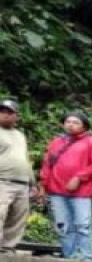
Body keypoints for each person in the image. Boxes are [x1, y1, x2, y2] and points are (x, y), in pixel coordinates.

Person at [39, 111, 92, 261]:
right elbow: (47, 164)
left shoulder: (91, 142)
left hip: (81, 192)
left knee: (82, 225)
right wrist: (43, 184)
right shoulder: (56, 142)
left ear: (84, 126)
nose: (71, 125)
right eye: (68, 122)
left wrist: (79, 177)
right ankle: (70, 257)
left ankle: (86, 258)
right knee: (62, 225)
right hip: (56, 190)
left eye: (76, 122)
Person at [0, 99, 40, 252]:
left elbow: (24, 158)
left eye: (9, 112)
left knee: (18, 217)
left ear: (16, 116)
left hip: (22, 182)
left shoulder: (19, 135)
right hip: (3, 180)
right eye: (2, 112)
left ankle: (8, 247)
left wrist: (33, 183)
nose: (5, 115)